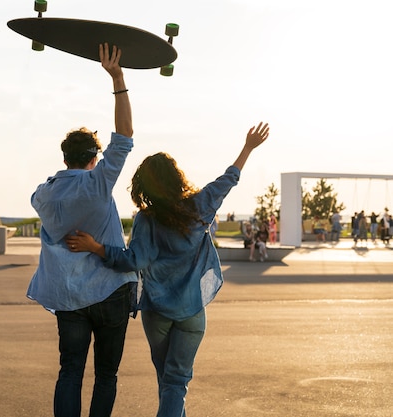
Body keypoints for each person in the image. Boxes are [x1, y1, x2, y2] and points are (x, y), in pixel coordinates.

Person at [66, 122, 270, 417]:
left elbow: (134, 261)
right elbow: (229, 179)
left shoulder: (146, 220)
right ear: (177, 179)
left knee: (169, 381)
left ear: (143, 186)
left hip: (157, 313)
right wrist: (248, 147)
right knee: (175, 382)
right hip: (192, 311)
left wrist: (96, 247)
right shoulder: (200, 206)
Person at [26, 43, 137, 417]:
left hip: (69, 299)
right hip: (109, 292)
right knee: (106, 375)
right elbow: (125, 137)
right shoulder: (97, 183)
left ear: (64, 157)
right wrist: (118, 79)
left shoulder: (44, 194)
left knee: (69, 372)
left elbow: (37, 197)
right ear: (93, 158)